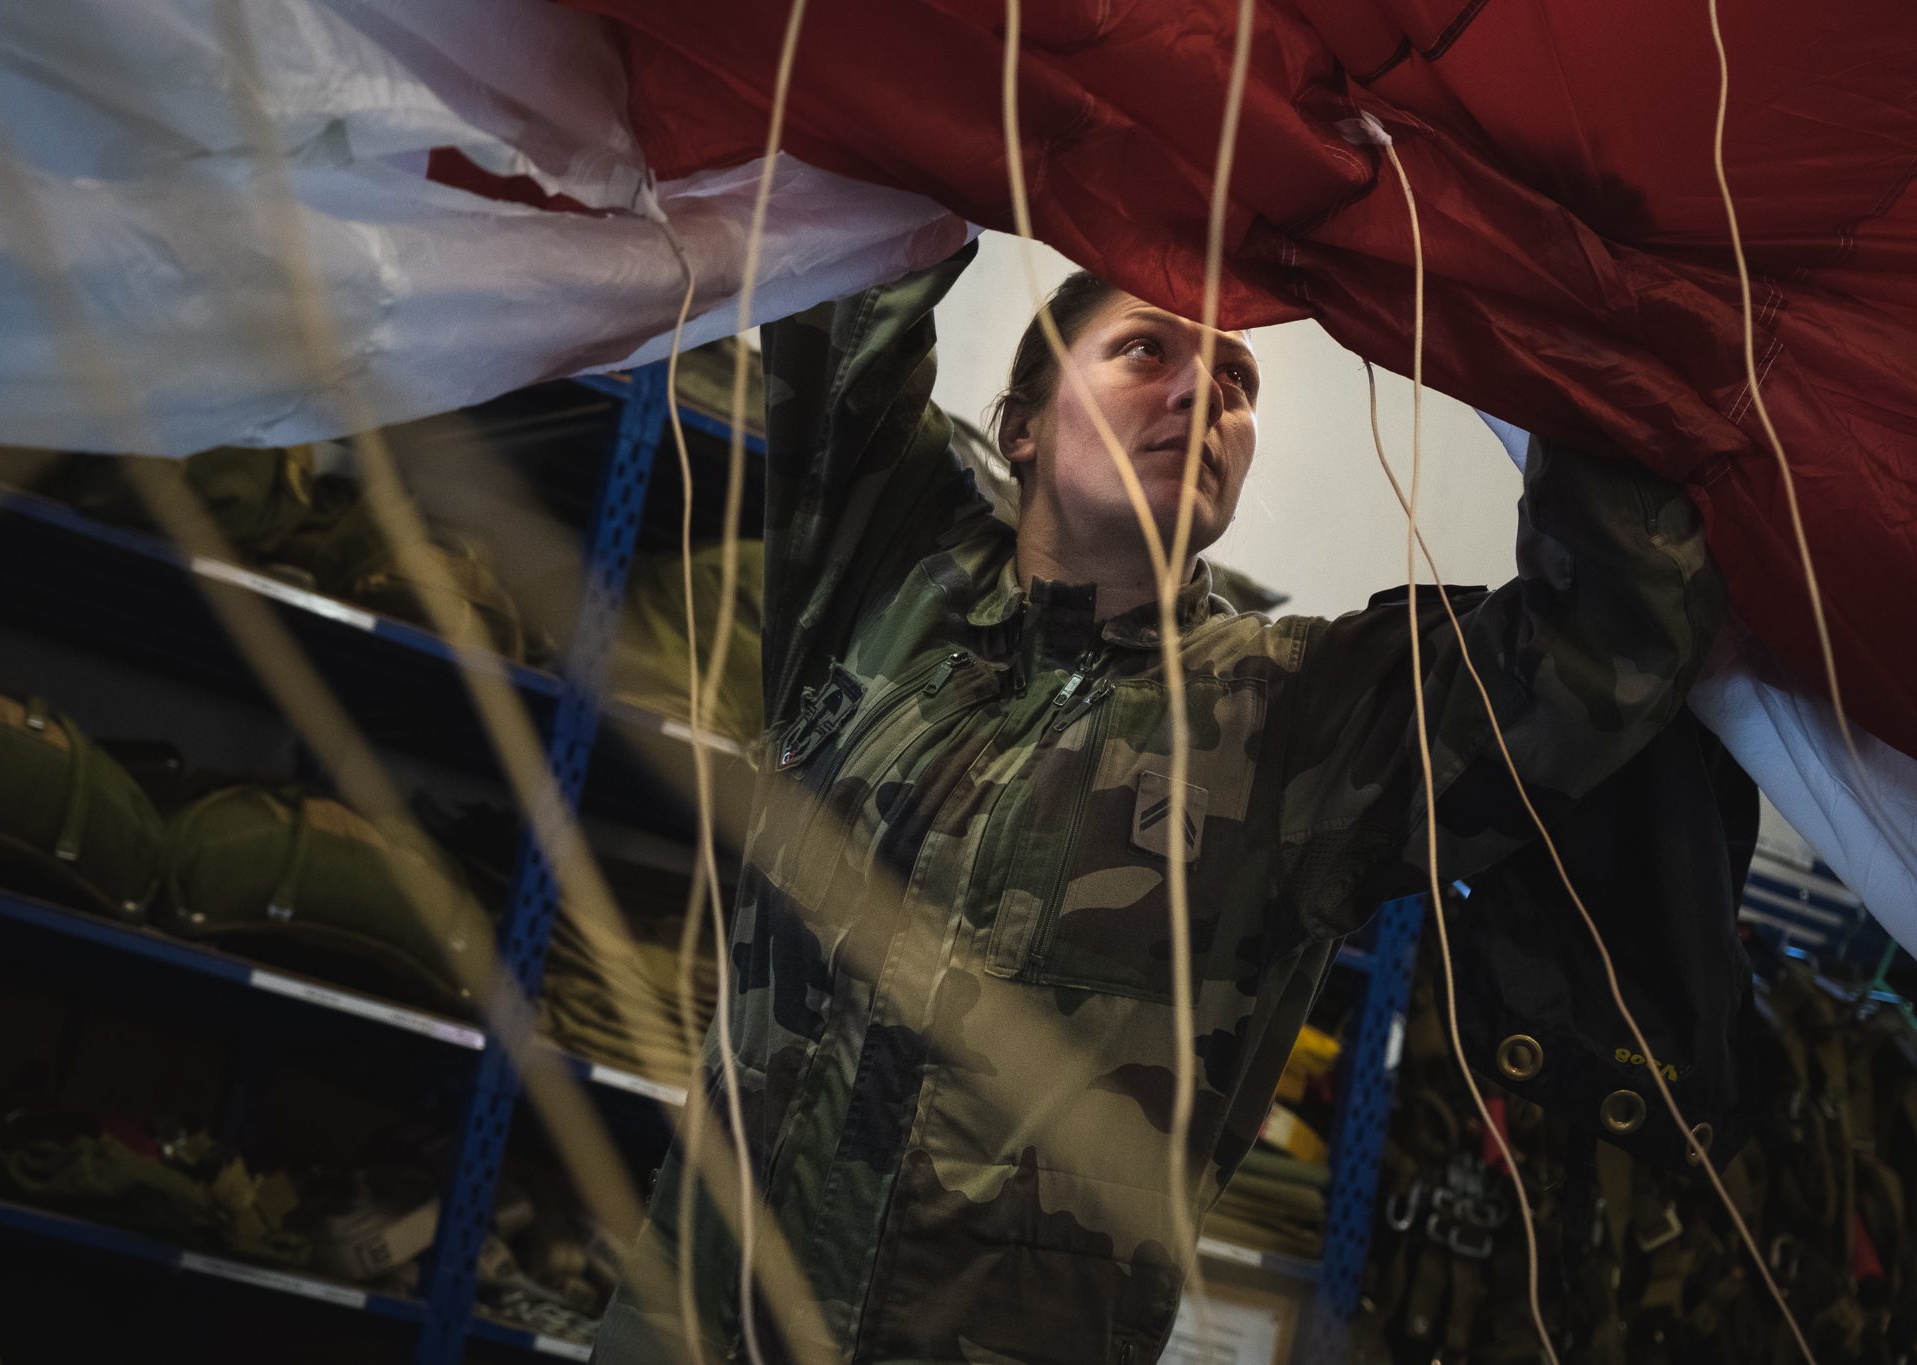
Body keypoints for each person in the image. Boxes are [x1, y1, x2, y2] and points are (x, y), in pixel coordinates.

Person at [591, 238, 1725, 1365]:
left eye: (1236, 384)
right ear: (1019, 428)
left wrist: (1544, 283)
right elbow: (848, 272)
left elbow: (1602, 643)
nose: (1202, 395)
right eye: (1144, 351)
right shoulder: (884, 587)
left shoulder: (1290, 719)